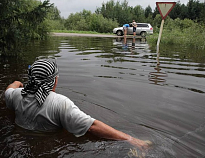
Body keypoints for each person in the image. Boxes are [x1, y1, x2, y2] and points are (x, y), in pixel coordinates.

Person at [4, 59, 151, 150]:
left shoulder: (16, 95)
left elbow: (9, 89)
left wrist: (17, 83)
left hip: (20, 140)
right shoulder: (60, 103)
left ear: (31, 79)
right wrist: (131, 140)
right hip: (50, 147)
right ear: (54, 81)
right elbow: (92, 126)